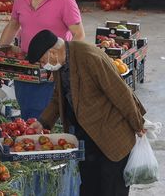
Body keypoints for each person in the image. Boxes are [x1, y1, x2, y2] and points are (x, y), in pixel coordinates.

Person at [27, 30, 146, 196]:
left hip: (111, 136)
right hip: (87, 135)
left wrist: (138, 124)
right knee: (89, 187)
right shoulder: (60, 62)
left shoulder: (89, 57)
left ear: (52, 52)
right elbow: (58, 96)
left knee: (110, 188)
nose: (42, 66)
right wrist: (43, 122)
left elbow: (121, 93)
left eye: (41, 61)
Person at [0, 0, 85, 120]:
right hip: (25, 65)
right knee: (26, 110)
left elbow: (79, 34)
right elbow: (13, 25)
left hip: (51, 69)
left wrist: (62, 62)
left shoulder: (65, 0)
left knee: (44, 115)